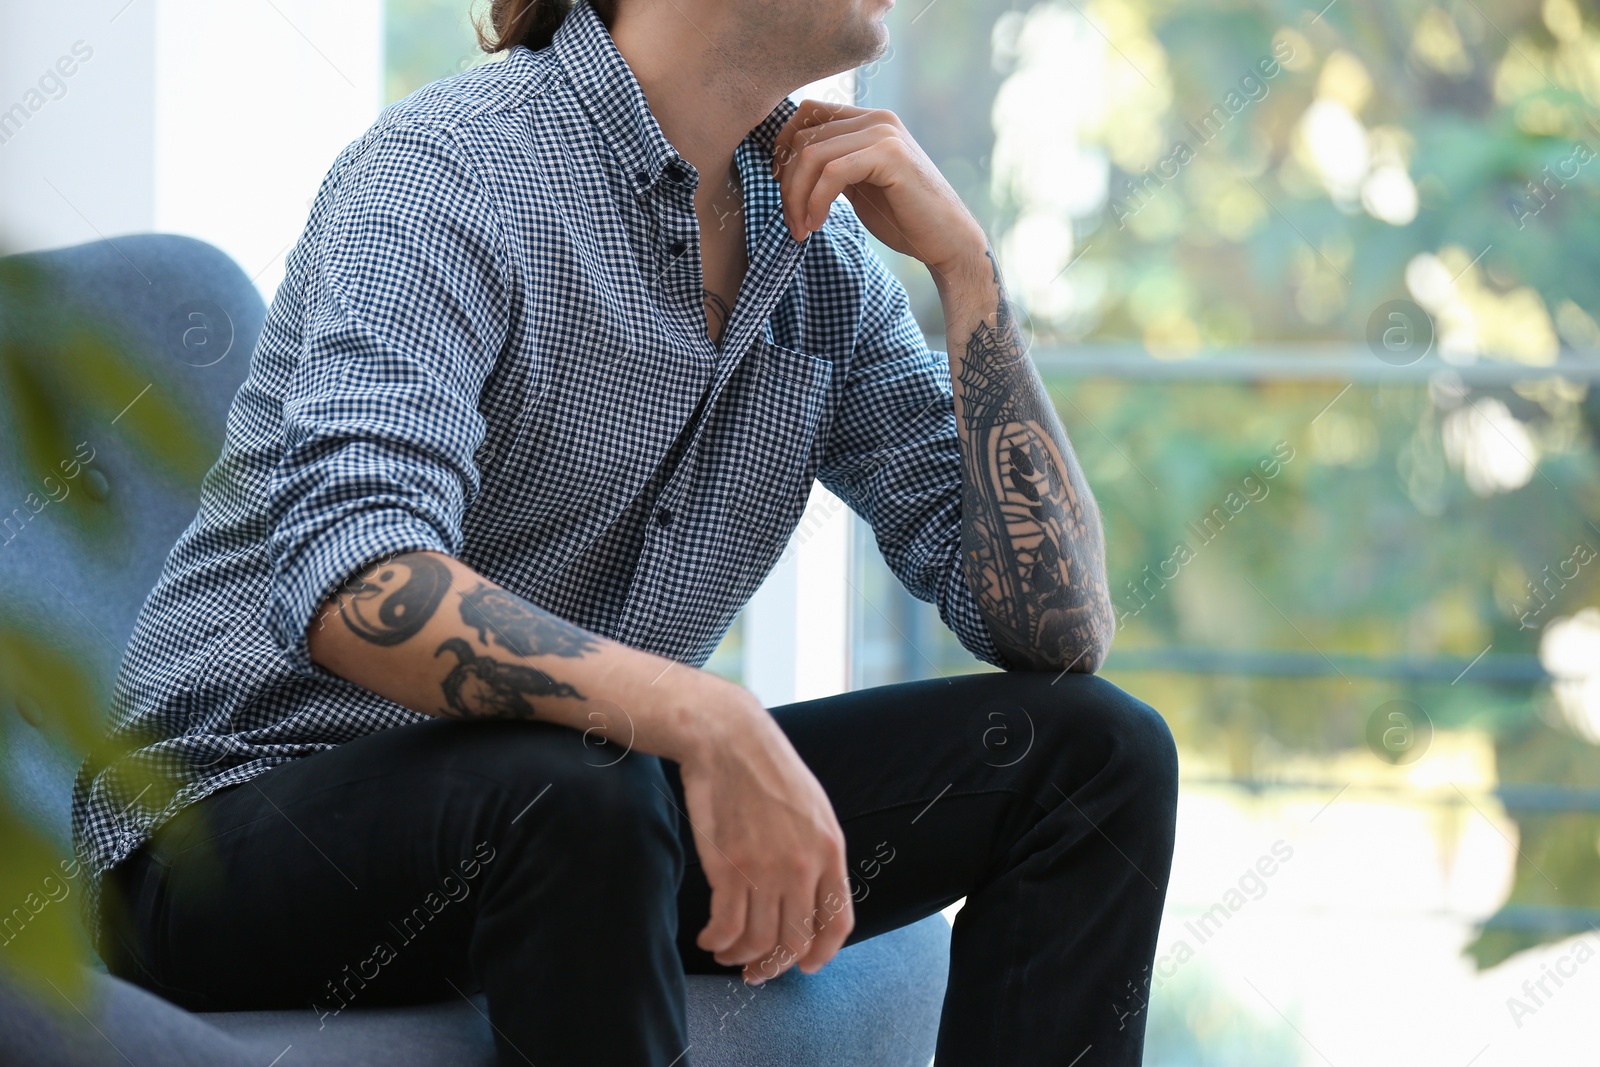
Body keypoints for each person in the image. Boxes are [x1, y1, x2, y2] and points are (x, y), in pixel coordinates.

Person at [71, 0, 1178, 1062]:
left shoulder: (818, 262)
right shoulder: (450, 173)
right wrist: (704, 716)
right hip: (220, 841)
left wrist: (968, 275)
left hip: (574, 823)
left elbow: (1054, 630)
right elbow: (357, 581)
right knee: (584, 779)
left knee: (1091, 751)